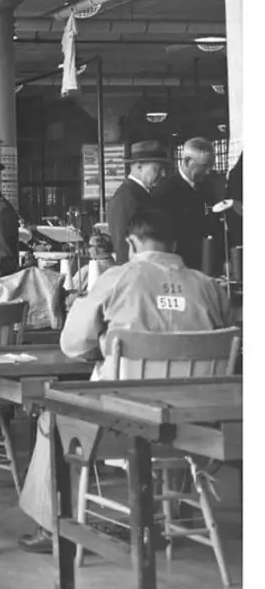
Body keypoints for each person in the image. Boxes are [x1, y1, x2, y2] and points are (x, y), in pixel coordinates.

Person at [17, 208, 233, 553]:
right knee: (179, 394)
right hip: (195, 429)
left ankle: (52, 525)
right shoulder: (209, 286)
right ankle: (175, 513)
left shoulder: (118, 277)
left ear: (131, 242)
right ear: (174, 243)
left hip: (122, 426)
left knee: (52, 418)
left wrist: (106, 343)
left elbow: (71, 344)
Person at [151, 137, 220, 271]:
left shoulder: (208, 188)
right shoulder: (165, 191)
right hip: (178, 265)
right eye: (204, 166)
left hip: (207, 262)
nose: (208, 172)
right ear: (187, 161)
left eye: (210, 167)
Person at [106, 140, 170, 264]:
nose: (163, 174)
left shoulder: (142, 194)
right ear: (139, 167)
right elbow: (123, 247)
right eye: (158, 168)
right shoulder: (126, 198)